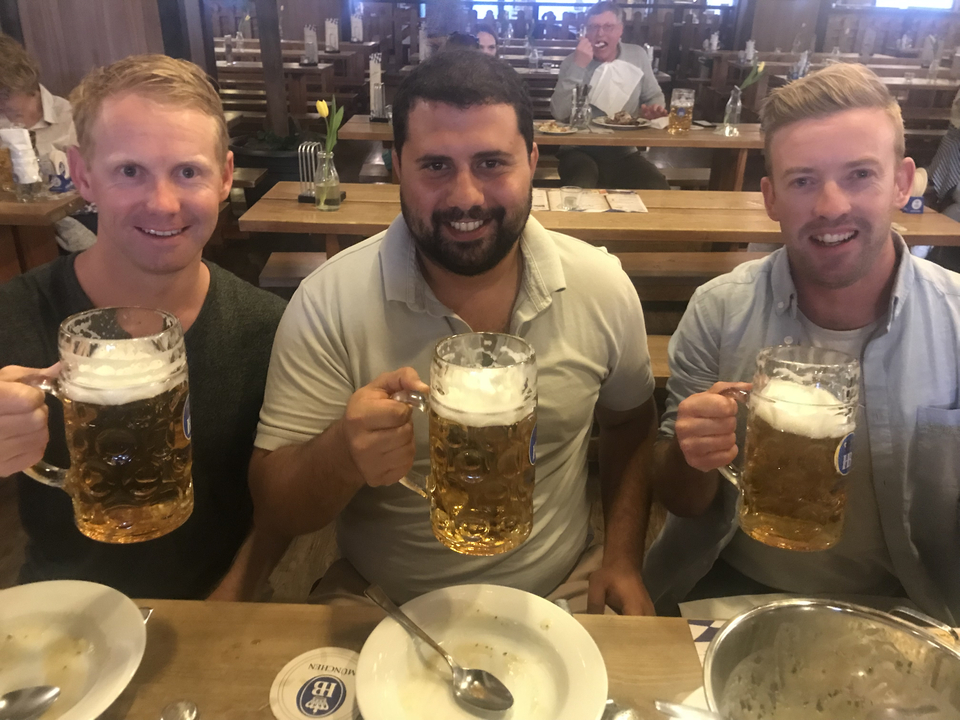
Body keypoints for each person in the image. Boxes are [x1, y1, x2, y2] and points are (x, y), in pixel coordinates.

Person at [249, 50, 659, 614]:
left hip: (563, 587)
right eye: (436, 166)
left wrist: (622, 558)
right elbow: (275, 504)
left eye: (492, 163)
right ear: (398, 167)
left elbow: (631, 422)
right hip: (384, 599)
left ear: (534, 161)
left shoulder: (601, 285)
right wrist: (341, 455)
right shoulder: (328, 300)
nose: (466, 197)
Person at [642, 63, 960, 625]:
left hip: (913, 602)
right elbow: (681, 500)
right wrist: (692, 455)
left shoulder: (955, 319)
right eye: (803, 180)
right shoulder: (719, 308)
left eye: (860, 174)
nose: (830, 206)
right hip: (728, 588)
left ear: (903, 182)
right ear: (770, 197)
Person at [0, 55, 287, 601]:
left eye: (188, 171)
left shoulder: (267, 328)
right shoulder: (13, 312)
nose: (163, 203)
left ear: (225, 176)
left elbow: (273, 506)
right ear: (83, 174)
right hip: (59, 611)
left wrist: (229, 601)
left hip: (219, 608)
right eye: (130, 171)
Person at [549, 1, 669, 190]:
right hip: (578, 150)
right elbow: (559, 112)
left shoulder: (637, 56)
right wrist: (577, 67)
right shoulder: (572, 61)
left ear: (620, 30)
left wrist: (654, 110)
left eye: (608, 27)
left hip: (624, 151)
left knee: (657, 187)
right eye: (593, 27)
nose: (600, 33)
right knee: (582, 186)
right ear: (585, 32)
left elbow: (653, 96)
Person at [0, 33, 95, 251]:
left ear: (28, 88)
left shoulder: (72, 117)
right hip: (17, 226)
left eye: (4, 96)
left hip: (79, 216)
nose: (0, 105)